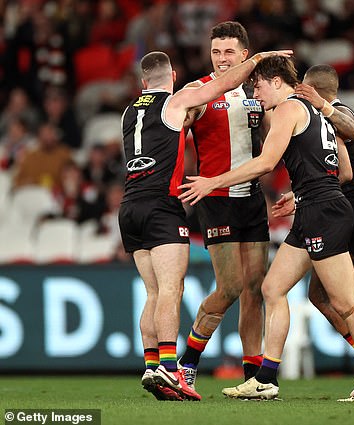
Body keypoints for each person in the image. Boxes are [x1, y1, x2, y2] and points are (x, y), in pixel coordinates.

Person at [179, 56, 354, 402]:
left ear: (277, 81)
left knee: (347, 304)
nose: (255, 92)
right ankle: (266, 378)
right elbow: (343, 170)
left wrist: (213, 182)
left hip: (323, 213)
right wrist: (301, 194)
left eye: (258, 85)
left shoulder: (288, 110)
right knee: (272, 288)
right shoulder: (319, 113)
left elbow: (265, 163)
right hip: (316, 208)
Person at [119, 48, 291, 401]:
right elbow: (217, 87)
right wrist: (255, 61)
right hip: (162, 206)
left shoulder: (128, 113)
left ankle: (153, 367)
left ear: (142, 82)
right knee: (170, 290)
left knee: (152, 293)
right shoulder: (177, 101)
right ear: (173, 76)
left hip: (129, 206)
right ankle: (171, 367)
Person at [272, 64, 354, 397]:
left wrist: (321, 106)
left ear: (311, 90)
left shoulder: (332, 114)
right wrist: (299, 197)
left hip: (350, 207)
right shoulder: (337, 113)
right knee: (320, 295)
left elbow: (344, 172)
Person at [176, 21, 269, 390]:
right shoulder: (197, 92)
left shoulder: (256, 91)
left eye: (229, 52)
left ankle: (252, 377)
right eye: (216, 52)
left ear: (245, 55)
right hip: (215, 200)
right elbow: (174, 131)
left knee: (254, 288)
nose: (221, 59)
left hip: (252, 198)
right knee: (229, 286)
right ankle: (188, 361)